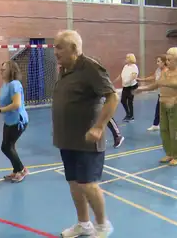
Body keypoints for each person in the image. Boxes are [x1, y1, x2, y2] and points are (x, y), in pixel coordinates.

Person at [52, 30, 117, 238]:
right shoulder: (64, 69)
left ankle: (102, 225)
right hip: (67, 140)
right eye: (55, 47)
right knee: (74, 184)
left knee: (89, 185)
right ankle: (84, 224)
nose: (55, 52)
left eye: (59, 47)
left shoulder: (90, 67)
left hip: (87, 141)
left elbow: (112, 97)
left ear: (73, 48)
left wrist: (99, 126)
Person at [135, 48, 177, 166]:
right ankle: (169, 153)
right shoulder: (164, 72)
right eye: (167, 60)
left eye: (170, 60)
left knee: (175, 131)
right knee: (164, 130)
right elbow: (156, 84)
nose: (167, 62)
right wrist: (143, 89)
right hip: (163, 104)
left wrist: (175, 99)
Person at [0, 60, 29, 183]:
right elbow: (7, 101)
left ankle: (21, 170)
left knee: (6, 147)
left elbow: (16, 104)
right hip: (9, 120)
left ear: (11, 70)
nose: (1, 71)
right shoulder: (5, 85)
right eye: (1, 69)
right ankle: (16, 170)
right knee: (8, 146)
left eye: (4, 69)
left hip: (18, 120)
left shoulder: (14, 84)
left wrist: (1, 110)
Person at [137, 55, 168, 131]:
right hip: (160, 94)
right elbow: (153, 77)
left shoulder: (166, 71)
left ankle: (167, 126)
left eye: (159, 61)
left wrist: (143, 89)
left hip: (166, 95)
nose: (157, 63)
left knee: (164, 111)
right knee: (158, 110)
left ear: (164, 62)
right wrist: (142, 80)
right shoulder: (158, 70)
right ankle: (155, 125)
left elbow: (157, 84)